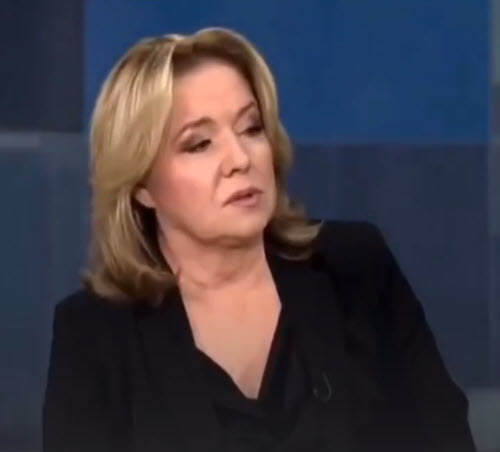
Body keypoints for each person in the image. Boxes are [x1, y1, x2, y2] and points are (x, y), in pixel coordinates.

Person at [42, 27, 476, 452]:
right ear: (142, 186)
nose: (240, 159)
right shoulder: (94, 335)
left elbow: (445, 434)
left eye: (251, 128)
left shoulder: (357, 269)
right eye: (200, 144)